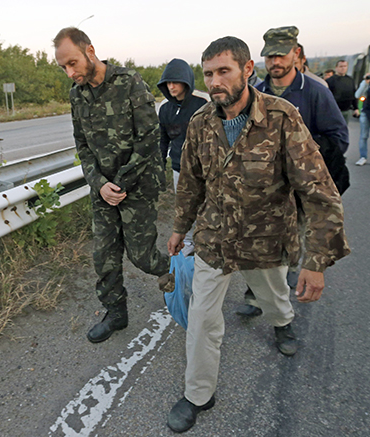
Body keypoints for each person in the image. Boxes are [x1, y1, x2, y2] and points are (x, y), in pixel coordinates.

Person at [165, 36, 349, 433]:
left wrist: (316, 264)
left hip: (266, 238)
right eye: (209, 73)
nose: (214, 81)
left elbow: (318, 192)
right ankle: (199, 394)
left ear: (248, 70)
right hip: (215, 239)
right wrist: (180, 228)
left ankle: (283, 321)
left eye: (224, 71)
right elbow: (191, 183)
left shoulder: (282, 118)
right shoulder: (200, 123)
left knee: (273, 297)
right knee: (201, 318)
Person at [53, 27, 171, 343]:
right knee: (103, 256)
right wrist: (100, 184)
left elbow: (148, 138)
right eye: (63, 67)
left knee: (141, 256)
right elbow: (82, 146)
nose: (69, 72)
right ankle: (116, 314)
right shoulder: (77, 95)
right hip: (104, 190)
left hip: (138, 184)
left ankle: (176, 275)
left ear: (90, 51)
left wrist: (119, 185)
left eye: (73, 63)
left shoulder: (128, 82)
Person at [236, 26, 350, 317]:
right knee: (255, 240)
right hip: (264, 189)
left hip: (299, 190)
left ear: (295, 53)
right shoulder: (256, 92)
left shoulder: (314, 92)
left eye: (280, 55)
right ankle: (254, 295)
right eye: (269, 56)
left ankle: (281, 308)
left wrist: (302, 151)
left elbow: (338, 138)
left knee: (289, 247)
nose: (274, 62)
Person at [157, 59, 207, 256]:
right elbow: (162, 141)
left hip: (202, 170)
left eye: (175, 82)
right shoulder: (164, 108)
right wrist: (160, 166)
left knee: (204, 208)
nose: (171, 87)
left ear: (186, 82)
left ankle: (205, 246)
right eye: (167, 83)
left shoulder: (203, 104)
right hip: (178, 168)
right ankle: (186, 245)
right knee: (183, 208)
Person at [355, 73, 370, 166]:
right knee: (364, 136)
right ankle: (363, 157)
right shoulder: (366, 83)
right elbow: (357, 95)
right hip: (366, 112)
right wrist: (365, 82)